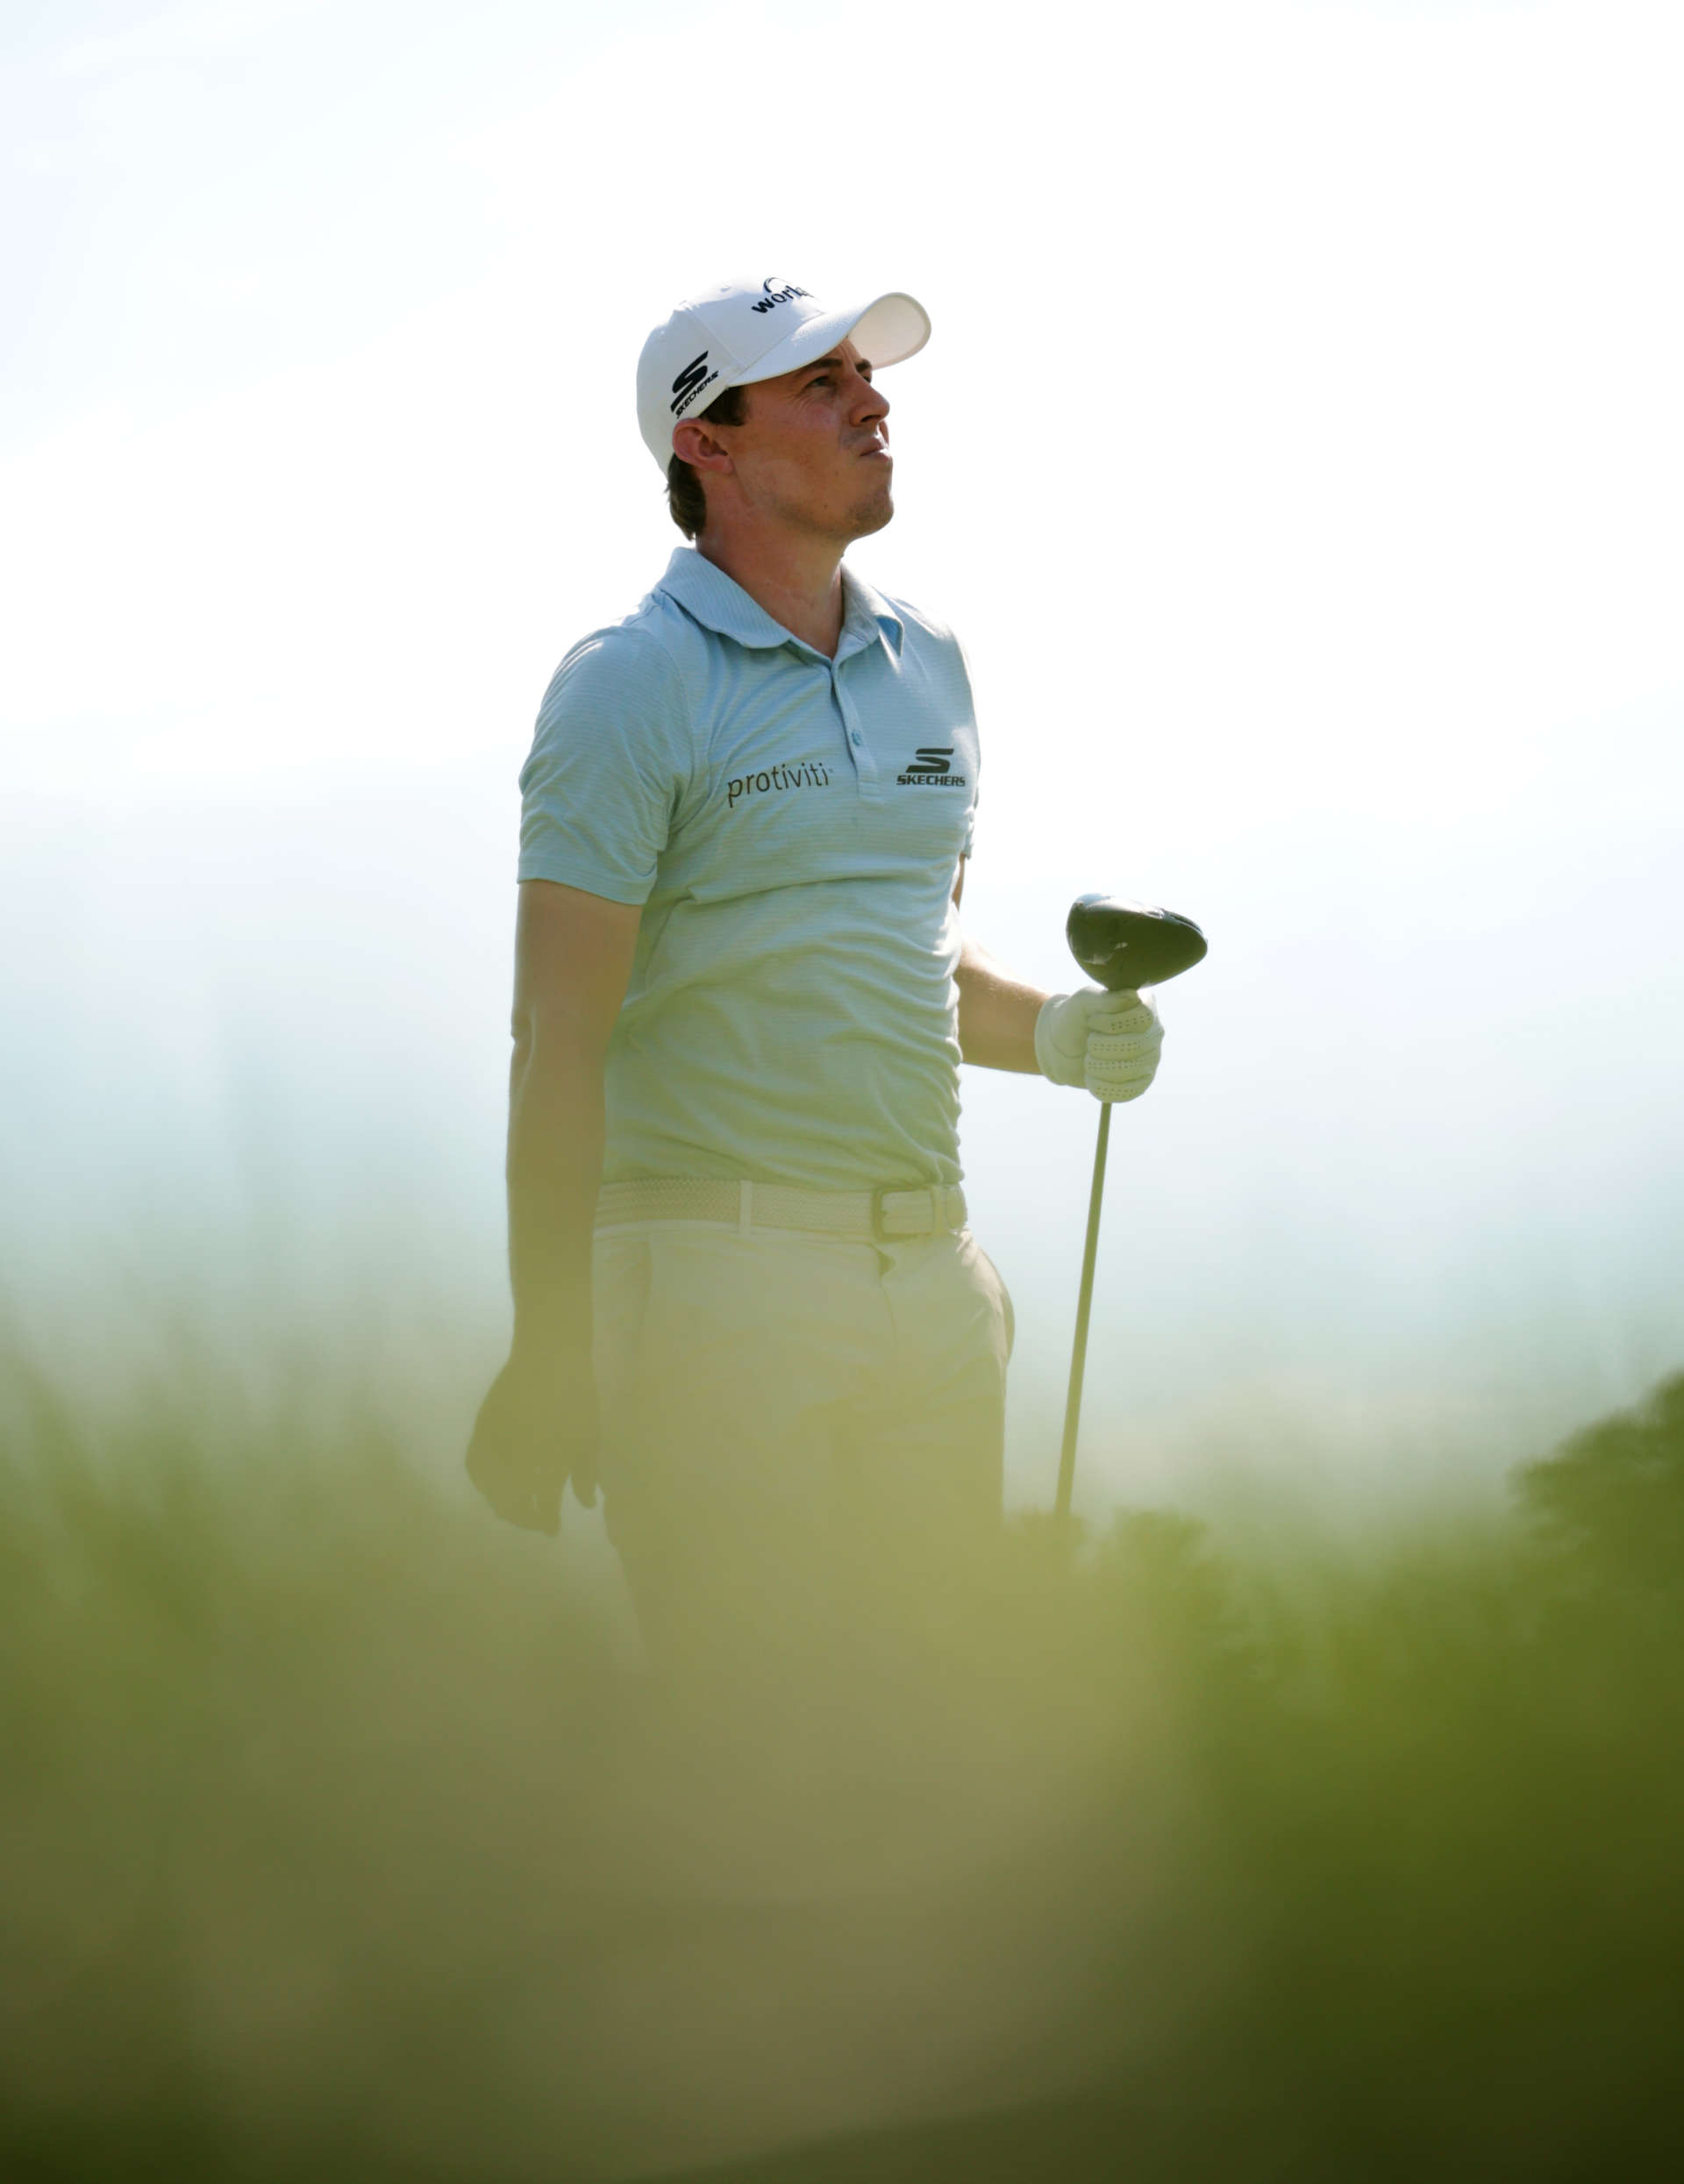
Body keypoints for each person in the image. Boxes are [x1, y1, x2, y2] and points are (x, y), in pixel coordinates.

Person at [467, 275, 1164, 1672]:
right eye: (820, 382)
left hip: (931, 1274)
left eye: (867, 372)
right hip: (713, 1286)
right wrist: (553, 1342)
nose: (873, 400)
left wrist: (1068, 1033)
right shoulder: (629, 684)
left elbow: (907, 956)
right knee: (761, 1752)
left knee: (932, 1741)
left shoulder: (933, 664)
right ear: (706, 446)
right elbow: (558, 1037)